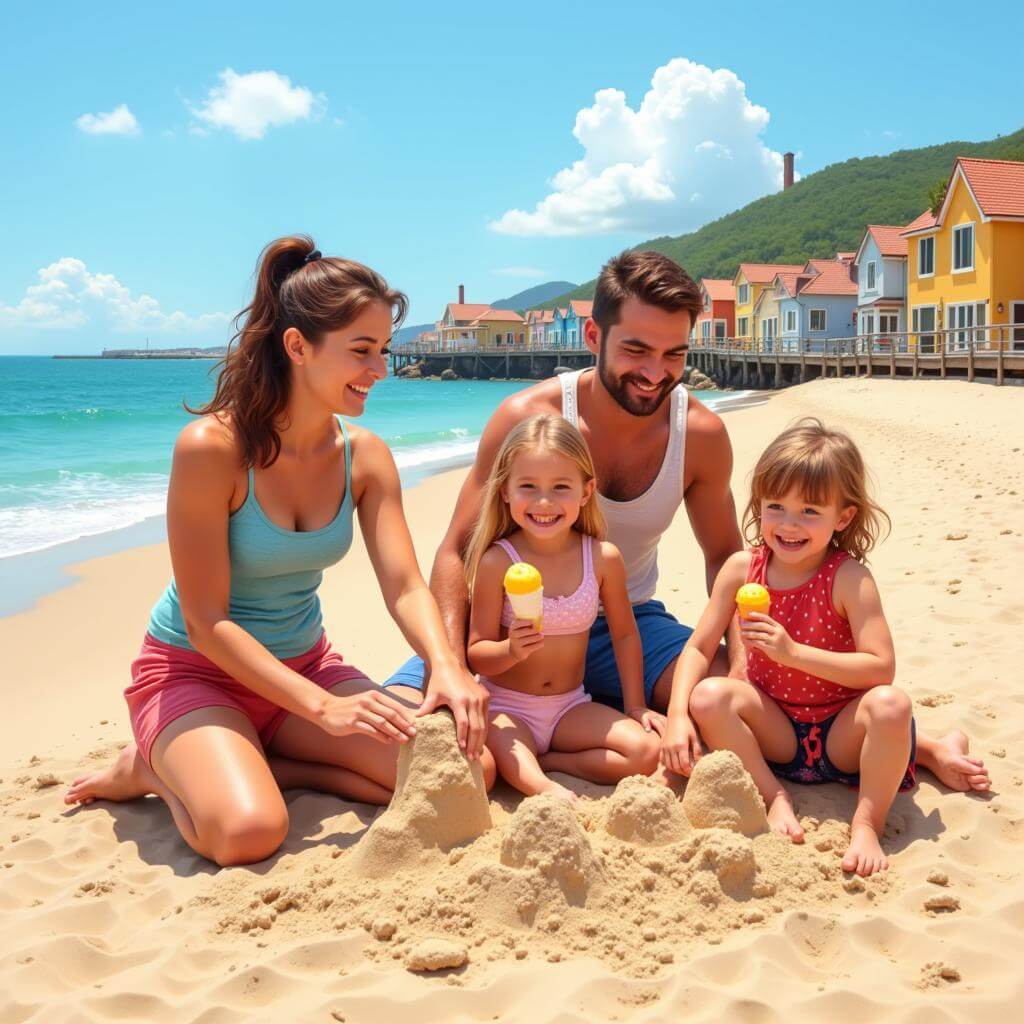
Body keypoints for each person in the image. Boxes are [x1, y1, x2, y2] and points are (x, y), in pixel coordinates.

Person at [384, 250, 986, 795]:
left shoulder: (697, 433)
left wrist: (747, 668)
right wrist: (450, 664)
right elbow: (456, 551)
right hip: (514, 625)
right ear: (594, 334)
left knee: (724, 697)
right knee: (413, 724)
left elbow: (728, 559)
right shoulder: (529, 418)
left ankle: (917, 744)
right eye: (637, 351)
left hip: (629, 621)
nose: (656, 373)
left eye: (675, 354)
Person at [65, 236, 490, 866]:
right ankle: (150, 769)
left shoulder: (365, 456)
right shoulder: (212, 449)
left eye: (385, 351)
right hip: (195, 674)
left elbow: (404, 586)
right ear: (297, 346)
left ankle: (282, 766)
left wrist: (448, 667)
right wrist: (324, 709)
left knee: (460, 771)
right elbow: (208, 624)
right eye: (362, 351)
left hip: (306, 666)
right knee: (248, 833)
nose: (380, 370)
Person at [661, 419, 987, 877]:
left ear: (844, 516)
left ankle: (867, 823)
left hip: (840, 734)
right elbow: (697, 649)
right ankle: (774, 795)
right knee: (708, 695)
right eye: (775, 507)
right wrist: (678, 716)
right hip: (776, 731)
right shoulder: (741, 570)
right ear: (758, 505)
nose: (789, 525)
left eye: (810, 512)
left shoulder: (849, 578)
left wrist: (792, 654)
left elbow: (881, 670)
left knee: (892, 706)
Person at [466, 414, 663, 800]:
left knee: (645, 751)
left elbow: (624, 635)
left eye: (561, 487)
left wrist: (636, 706)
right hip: (506, 708)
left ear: (586, 491)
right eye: (528, 487)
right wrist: (510, 650)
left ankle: (555, 763)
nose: (544, 502)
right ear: (505, 490)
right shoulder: (496, 561)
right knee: (511, 750)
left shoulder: (602, 558)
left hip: (569, 707)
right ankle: (543, 786)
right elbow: (477, 654)